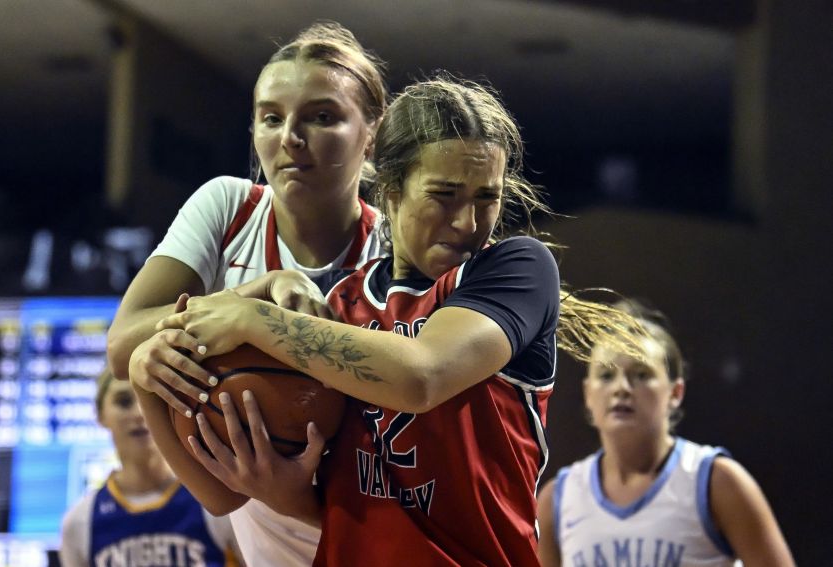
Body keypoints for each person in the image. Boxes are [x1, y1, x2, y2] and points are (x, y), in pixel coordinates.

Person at [136, 77, 651, 567]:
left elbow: (422, 376)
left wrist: (253, 316)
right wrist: (148, 379)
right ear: (390, 189)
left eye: (486, 198)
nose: (468, 222)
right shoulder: (335, 302)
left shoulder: (516, 269)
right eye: (445, 195)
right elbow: (222, 495)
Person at [105, 21, 388, 566]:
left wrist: (250, 319)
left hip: (377, 545)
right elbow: (122, 346)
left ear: (371, 132)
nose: (290, 138)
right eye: (271, 117)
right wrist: (256, 292)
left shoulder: (394, 249)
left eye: (321, 116)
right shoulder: (229, 207)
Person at [536, 301, 795, 567]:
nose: (621, 388)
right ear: (588, 393)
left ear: (675, 393)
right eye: (606, 375)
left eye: (641, 374)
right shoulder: (557, 500)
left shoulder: (718, 482)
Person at [59, 367, 243, 567]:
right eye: (124, 402)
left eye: (152, 400)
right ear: (100, 415)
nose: (139, 413)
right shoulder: (80, 521)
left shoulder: (218, 499)